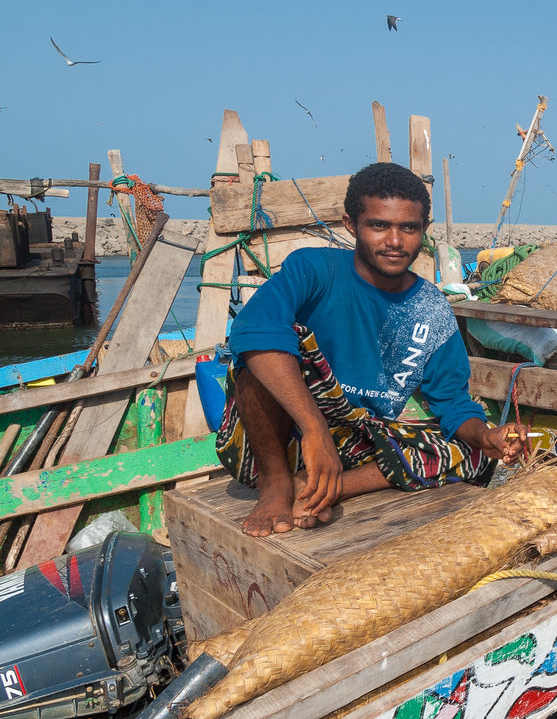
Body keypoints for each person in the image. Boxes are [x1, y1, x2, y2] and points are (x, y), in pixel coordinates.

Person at [217, 163, 528, 537]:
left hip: (356, 447)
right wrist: (314, 429)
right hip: (276, 442)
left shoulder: (431, 308)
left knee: (471, 453)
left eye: (408, 228)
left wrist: (486, 436)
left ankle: (327, 487)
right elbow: (252, 329)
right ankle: (277, 485)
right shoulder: (314, 269)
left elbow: (452, 403)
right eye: (379, 225)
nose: (395, 241)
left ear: (424, 230)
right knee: (265, 349)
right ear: (351, 224)